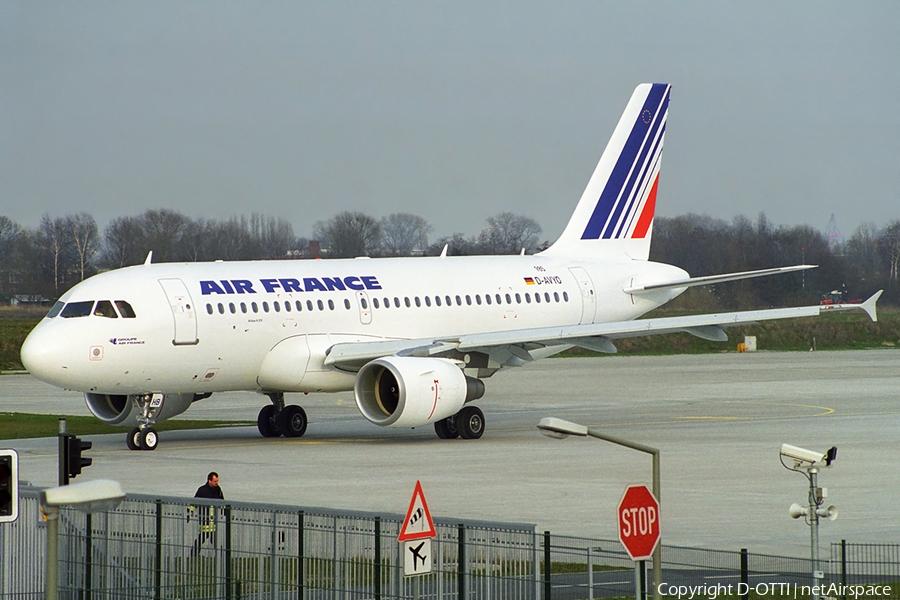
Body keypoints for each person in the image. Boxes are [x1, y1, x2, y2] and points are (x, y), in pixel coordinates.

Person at [189, 472, 224, 556]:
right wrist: (189, 512)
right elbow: (195, 503)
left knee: (211, 538)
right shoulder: (202, 490)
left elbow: (222, 502)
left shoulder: (218, 489)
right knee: (205, 537)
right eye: (215, 481)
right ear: (209, 480)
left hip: (214, 519)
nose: (217, 483)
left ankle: (220, 554)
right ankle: (221, 554)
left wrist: (225, 512)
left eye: (217, 481)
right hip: (205, 519)